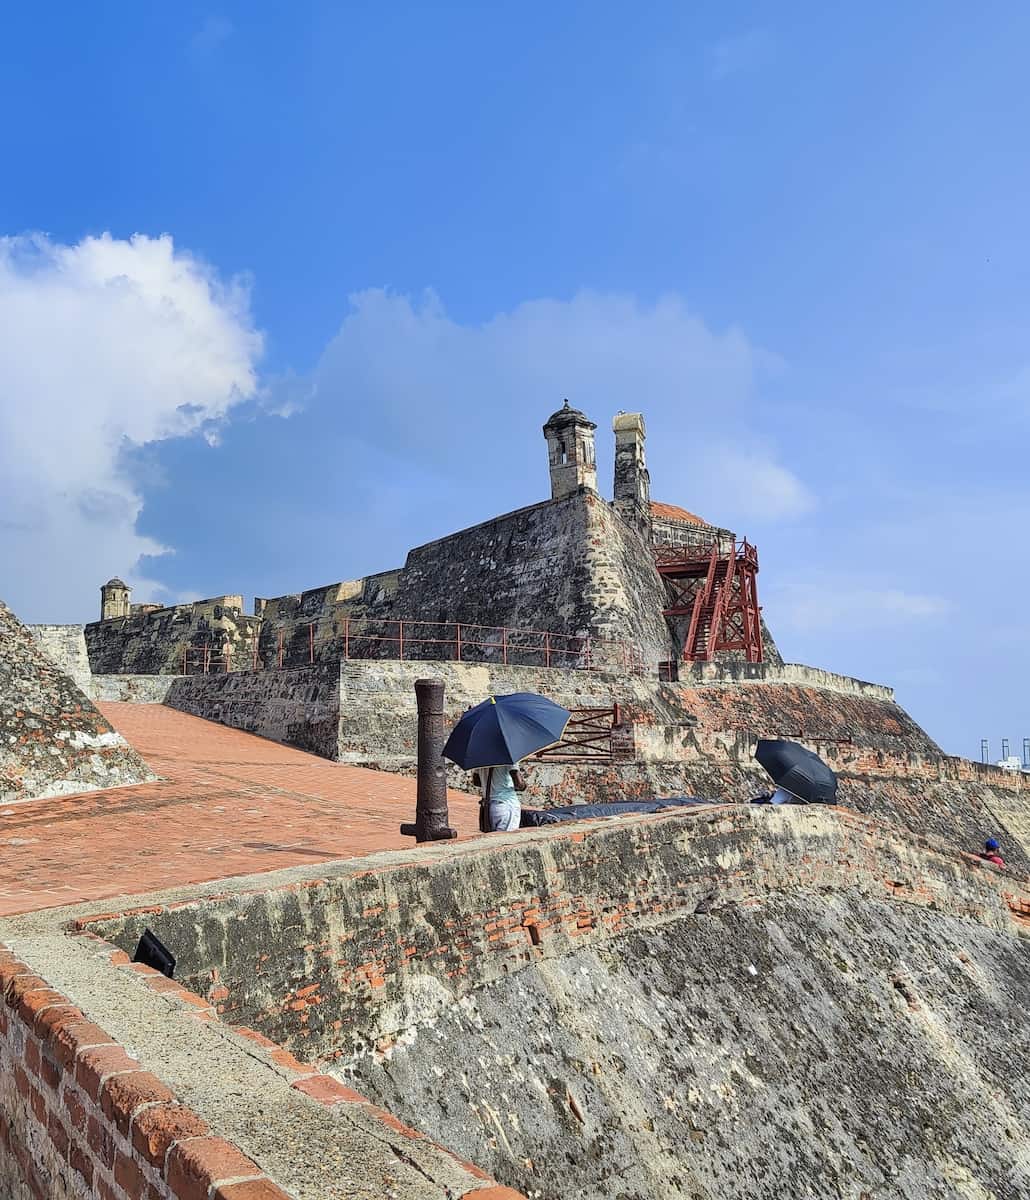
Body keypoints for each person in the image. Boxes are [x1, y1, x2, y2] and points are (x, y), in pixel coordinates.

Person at [471, 762, 526, 832]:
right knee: (506, 837)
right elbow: (518, 784)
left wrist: (492, 784)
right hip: (506, 804)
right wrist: (524, 785)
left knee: (493, 836)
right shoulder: (509, 759)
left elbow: (476, 781)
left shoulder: (481, 759)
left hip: (489, 807)